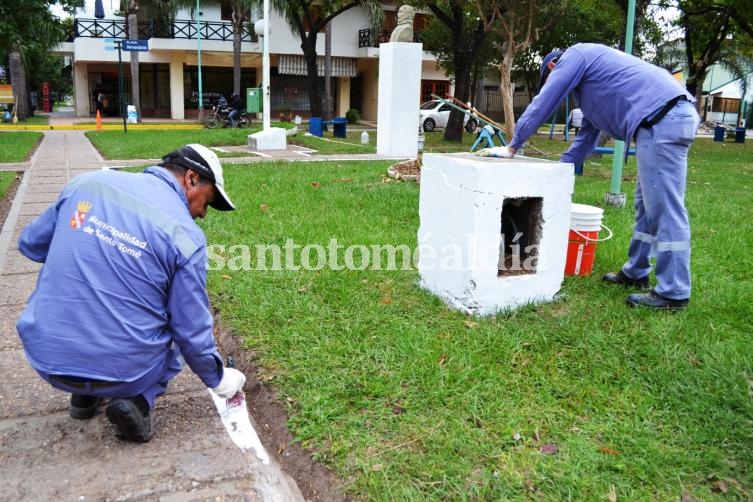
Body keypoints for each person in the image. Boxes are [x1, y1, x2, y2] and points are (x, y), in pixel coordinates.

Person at [16, 144, 246, 442]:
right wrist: (220, 380)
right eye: (208, 201)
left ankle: (83, 397)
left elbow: (30, 244)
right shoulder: (186, 237)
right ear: (191, 178)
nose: (203, 214)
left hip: (47, 358)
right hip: (124, 372)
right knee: (174, 328)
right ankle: (138, 401)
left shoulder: (85, 185)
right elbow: (190, 330)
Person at [476, 43, 700, 310]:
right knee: (646, 207)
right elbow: (584, 141)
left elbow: (546, 101)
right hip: (662, 120)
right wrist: (556, 174)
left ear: (552, 68)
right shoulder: (593, 89)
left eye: (553, 80)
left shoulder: (575, 56)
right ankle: (636, 272)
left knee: (664, 209)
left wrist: (513, 146)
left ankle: (673, 293)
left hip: (662, 119)